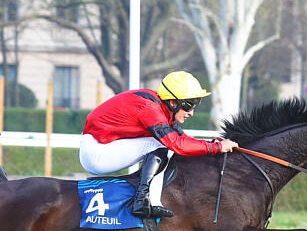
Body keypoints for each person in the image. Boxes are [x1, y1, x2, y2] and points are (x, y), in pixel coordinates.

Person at [79, 71, 238, 219]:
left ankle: (152, 200)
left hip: (102, 146)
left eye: (194, 106)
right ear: (173, 103)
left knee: (163, 144)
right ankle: (142, 199)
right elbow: (178, 145)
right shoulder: (150, 109)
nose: (191, 112)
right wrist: (216, 148)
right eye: (188, 105)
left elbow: (183, 139)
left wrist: (211, 144)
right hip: (96, 153)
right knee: (161, 145)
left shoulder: (160, 108)